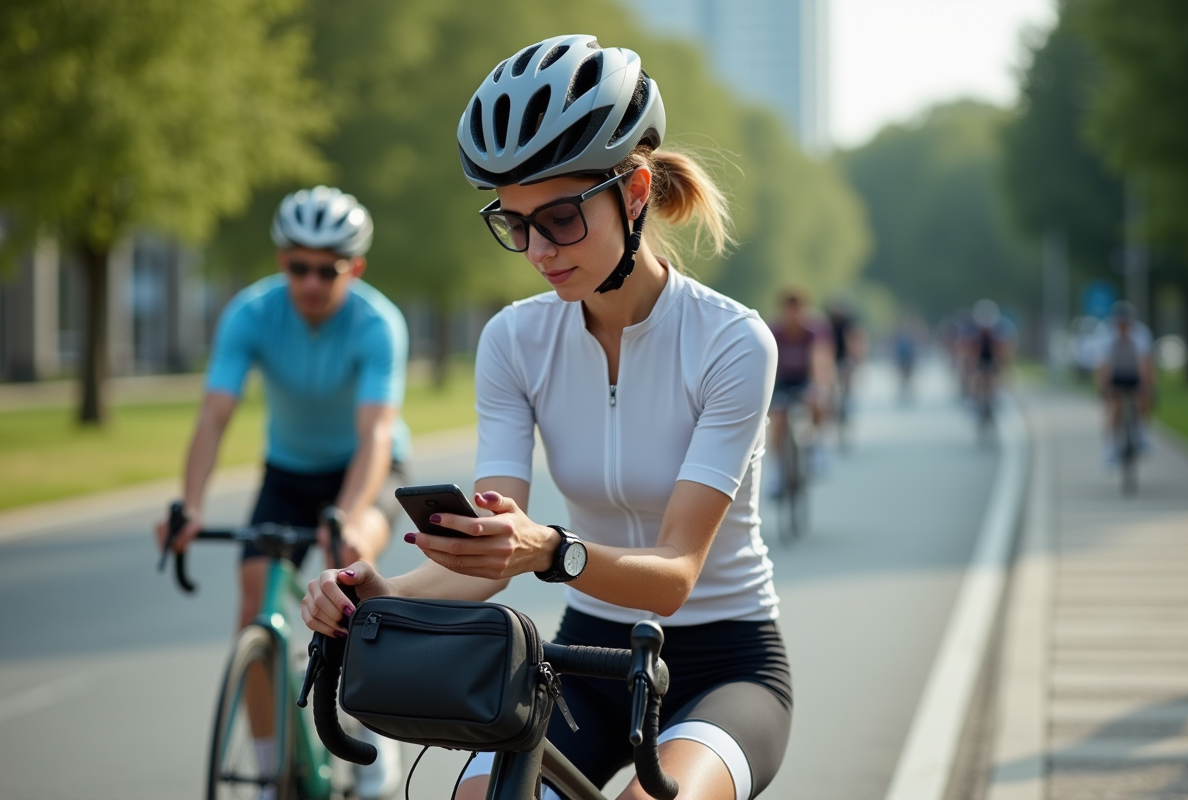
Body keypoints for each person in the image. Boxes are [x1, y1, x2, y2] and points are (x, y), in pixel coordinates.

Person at [300, 35, 791, 800]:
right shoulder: (513, 340)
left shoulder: (731, 342)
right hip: (585, 659)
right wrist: (378, 593)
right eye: (515, 222)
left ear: (633, 193)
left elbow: (673, 577)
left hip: (725, 667)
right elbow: (493, 554)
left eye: (560, 217)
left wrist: (551, 550)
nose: (536, 248)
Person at [154, 185, 409, 800]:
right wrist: (189, 506)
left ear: (356, 268)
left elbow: (376, 433)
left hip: (364, 467)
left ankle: (370, 745)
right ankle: (272, 773)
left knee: (353, 574)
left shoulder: (378, 323)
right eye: (298, 267)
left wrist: (347, 516)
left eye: (329, 270)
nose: (312, 283)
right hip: (289, 472)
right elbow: (215, 416)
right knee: (252, 605)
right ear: (280, 262)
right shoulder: (250, 313)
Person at [768, 289, 835, 479]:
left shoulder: (813, 331)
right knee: (778, 418)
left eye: (797, 309)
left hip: (806, 379)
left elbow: (819, 359)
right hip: (781, 380)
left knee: (817, 402)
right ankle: (777, 471)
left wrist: (819, 386)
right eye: (789, 309)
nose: (793, 314)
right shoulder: (774, 331)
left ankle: (819, 448)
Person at [1093, 301, 1155, 464]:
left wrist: (1146, 386)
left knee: (1143, 399)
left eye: (1126, 324)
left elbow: (1145, 363)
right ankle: (1111, 448)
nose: (1123, 328)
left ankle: (1140, 434)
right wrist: (1103, 388)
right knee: (1114, 406)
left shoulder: (1141, 333)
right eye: (1120, 324)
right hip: (1115, 372)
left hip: (1134, 371)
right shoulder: (1105, 334)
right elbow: (1103, 365)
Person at [824, 296, 867, 426]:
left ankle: (847, 399)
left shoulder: (849, 323)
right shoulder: (828, 323)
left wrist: (856, 358)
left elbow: (855, 339)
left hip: (844, 356)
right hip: (830, 356)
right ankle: (832, 403)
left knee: (846, 375)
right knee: (829, 381)